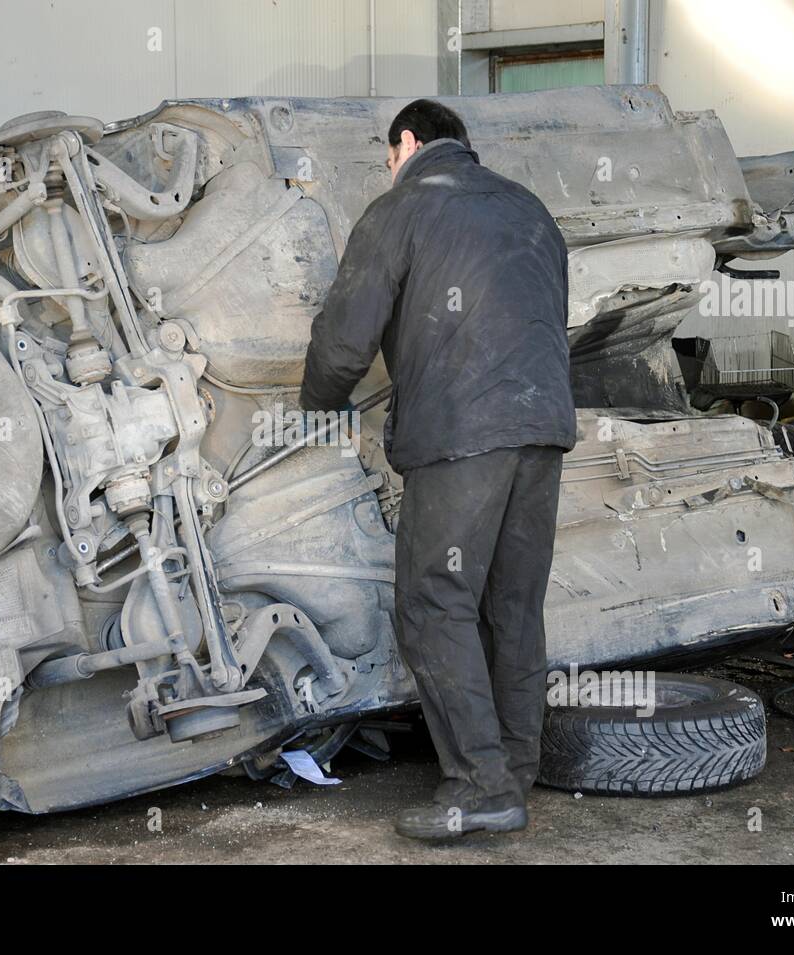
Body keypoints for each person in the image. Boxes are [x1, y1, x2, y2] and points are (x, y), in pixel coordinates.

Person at [299, 99, 577, 841]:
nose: (389, 167)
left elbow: (343, 343)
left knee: (434, 604)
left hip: (461, 436)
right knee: (513, 606)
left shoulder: (400, 210)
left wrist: (313, 404)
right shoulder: (529, 209)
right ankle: (515, 771)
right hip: (543, 430)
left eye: (389, 154)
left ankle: (480, 785)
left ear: (408, 143)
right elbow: (554, 317)